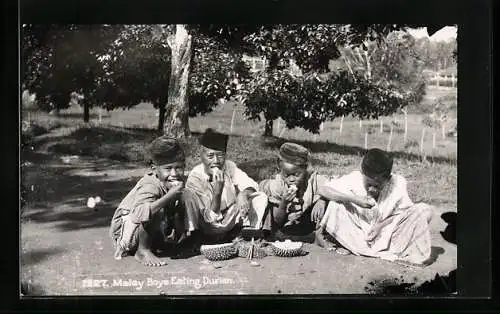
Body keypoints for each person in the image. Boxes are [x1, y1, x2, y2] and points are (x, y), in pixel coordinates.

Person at [315, 148, 433, 266]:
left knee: (424, 210)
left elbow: (402, 214)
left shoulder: (398, 183)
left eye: (378, 186)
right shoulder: (354, 178)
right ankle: (345, 242)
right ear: (363, 173)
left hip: (386, 234)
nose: (372, 189)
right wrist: (355, 200)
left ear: (387, 179)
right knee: (336, 203)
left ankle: (403, 252)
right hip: (358, 232)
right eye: (369, 184)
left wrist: (380, 226)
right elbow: (323, 189)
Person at [182, 128, 269, 245]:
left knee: (260, 197)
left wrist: (243, 194)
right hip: (209, 225)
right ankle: (198, 240)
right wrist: (218, 191)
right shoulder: (196, 177)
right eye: (210, 156)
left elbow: (251, 184)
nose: (216, 161)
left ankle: (248, 234)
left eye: (220, 155)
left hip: (229, 217)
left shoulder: (229, 166)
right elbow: (210, 218)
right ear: (200, 155)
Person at [109, 136, 187, 266]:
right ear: (154, 169)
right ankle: (142, 251)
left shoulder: (176, 182)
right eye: (167, 168)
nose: (174, 173)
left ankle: (169, 242)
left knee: (186, 197)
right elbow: (139, 214)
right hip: (126, 233)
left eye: (179, 167)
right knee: (156, 208)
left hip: (149, 230)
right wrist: (170, 196)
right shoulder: (150, 185)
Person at [258, 142, 331, 241]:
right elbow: (277, 220)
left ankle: (319, 233)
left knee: (329, 202)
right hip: (284, 222)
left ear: (305, 169)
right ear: (280, 169)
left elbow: (330, 187)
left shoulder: (313, 180)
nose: (291, 179)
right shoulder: (278, 185)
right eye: (286, 175)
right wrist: (284, 202)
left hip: (303, 220)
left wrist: (322, 200)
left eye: (296, 174)